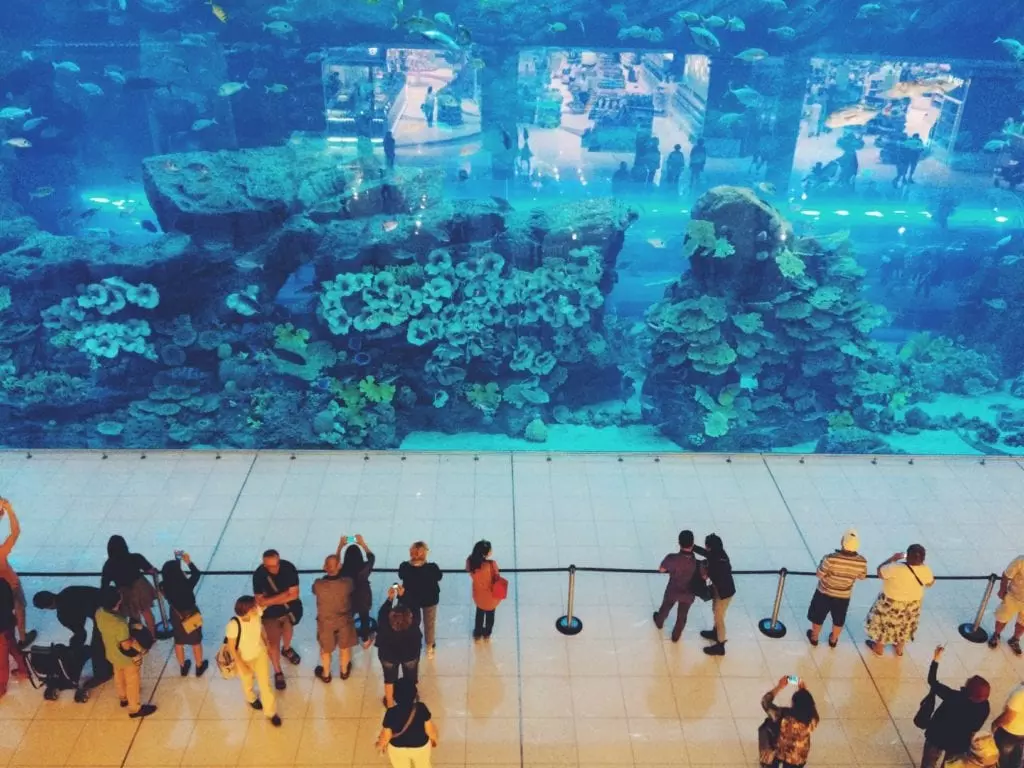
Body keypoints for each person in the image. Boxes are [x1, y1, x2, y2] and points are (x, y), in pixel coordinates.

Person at [920, 644, 990, 768]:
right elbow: (975, 728)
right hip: (959, 743)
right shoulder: (985, 707)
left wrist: (936, 659)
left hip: (937, 735)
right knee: (949, 765)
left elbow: (932, 681)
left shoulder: (953, 696)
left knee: (928, 763)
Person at [94, 587, 157, 719]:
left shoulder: (99, 613)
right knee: (132, 681)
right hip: (126, 658)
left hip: (111, 653)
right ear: (118, 602)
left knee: (118, 674)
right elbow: (126, 645)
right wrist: (142, 650)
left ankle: (123, 697)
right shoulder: (120, 624)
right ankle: (134, 708)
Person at [865, 544, 935, 657]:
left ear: (907, 557)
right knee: (905, 626)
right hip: (912, 605)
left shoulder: (895, 567)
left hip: (890, 603)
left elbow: (880, 572)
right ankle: (899, 649)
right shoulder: (925, 570)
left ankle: (879, 648)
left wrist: (893, 559)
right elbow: (930, 583)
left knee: (884, 625)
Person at [33, 585, 111, 685]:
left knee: (97, 646)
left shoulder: (63, 614)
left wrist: (74, 648)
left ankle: (103, 675)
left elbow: (81, 632)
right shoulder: (68, 591)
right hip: (110, 598)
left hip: (103, 613)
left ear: (47, 607)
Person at [225, 596, 281, 727]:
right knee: (247, 680)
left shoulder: (256, 615)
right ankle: (250, 697)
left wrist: (266, 643)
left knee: (265, 685)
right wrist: (241, 665)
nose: (256, 608)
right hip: (243, 658)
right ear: (246, 610)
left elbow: (260, 627)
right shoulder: (234, 625)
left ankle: (271, 712)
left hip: (259, 654)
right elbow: (231, 648)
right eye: (253, 607)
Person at [806, 529, 868, 648]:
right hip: (843, 596)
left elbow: (819, 574)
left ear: (842, 542)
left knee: (818, 616)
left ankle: (814, 637)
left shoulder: (830, 558)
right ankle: (833, 639)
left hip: (824, 592)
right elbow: (862, 576)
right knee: (839, 618)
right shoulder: (862, 562)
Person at [252, 549, 302, 691]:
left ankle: (286, 649)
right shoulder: (259, 575)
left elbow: (294, 595)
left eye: (276, 565)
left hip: (288, 611)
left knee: (288, 632)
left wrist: (270, 600)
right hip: (269, 615)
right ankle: (277, 671)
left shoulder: (289, 568)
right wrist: (284, 595)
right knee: (272, 644)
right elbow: (260, 601)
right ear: (264, 565)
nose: (274, 569)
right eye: (270, 567)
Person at [100, 534, 158, 639]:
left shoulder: (108, 565)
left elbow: (104, 584)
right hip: (141, 587)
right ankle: (152, 636)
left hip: (125, 592)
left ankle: (140, 639)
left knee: (134, 618)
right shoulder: (135, 557)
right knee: (147, 612)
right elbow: (150, 569)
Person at [312, 549, 357, 683]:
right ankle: (344, 671)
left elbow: (314, 591)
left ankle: (326, 674)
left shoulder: (318, 585)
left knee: (326, 649)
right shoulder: (347, 583)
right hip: (344, 621)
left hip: (326, 623)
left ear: (325, 567)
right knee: (344, 647)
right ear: (340, 566)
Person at [160, 552, 207, 678]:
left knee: (179, 641)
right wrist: (188, 562)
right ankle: (199, 665)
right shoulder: (185, 584)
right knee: (195, 640)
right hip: (190, 613)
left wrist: (177, 563)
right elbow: (197, 574)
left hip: (176, 614)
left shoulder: (164, 585)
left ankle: (182, 667)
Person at [376, 679, 439, 768]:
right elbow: (430, 730)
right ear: (415, 695)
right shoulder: (421, 708)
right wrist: (434, 739)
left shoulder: (391, 712)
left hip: (397, 748)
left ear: (394, 696)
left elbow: (386, 736)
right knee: (423, 765)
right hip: (420, 746)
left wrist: (381, 745)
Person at [376, 586, 422, 708]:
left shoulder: (385, 621)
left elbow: (382, 613)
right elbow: (415, 608)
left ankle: (390, 703)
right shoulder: (414, 620)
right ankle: (411, 701)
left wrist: (390, 599)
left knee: (389, 679)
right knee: (411, 678)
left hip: (388, 655)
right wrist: (403, 596)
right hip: (410, 654)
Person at [0, 498, 37, 649]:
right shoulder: (1, 552)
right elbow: (16, 531)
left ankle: (9, 638)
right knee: (19, 608)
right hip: (11, 584)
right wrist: (8, 509)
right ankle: (22, 638)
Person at [762, 677, 819, 768]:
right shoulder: (813, 720)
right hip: (798, 758)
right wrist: (804, 692)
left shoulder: (783, 715)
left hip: (779, 754)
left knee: (767, 725)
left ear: (793, 704)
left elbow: (765, 702)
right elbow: (811, 707)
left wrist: (779, 686)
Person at [399, 541, 443, 660]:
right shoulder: (432, 568)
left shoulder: (404, 567)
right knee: (429, 623)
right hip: (430, 599)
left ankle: (411, 643)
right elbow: (439, 576)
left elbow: (401, 575)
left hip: (411, 600)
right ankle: (429, 646)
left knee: (412, 622)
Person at [654, 529, 698, 643]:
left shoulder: (672, 558)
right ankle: (676, 636)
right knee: (682, 616)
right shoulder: (697, 563)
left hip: (673, 590)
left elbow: (662, 569)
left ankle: (659, 622)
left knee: (665, 607)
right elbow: (704, 576)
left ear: (679, 543)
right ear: (693, 544)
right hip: (688, 594)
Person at [694, 533, 735, 655]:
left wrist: (703, 570)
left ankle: (720, 644)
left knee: (719, 617)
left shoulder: (716, 563)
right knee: (715, 611)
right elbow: (706, 554)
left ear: (710, 547)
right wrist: (693, 547)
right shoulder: (720, 554)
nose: (705, 547)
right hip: (721, 591)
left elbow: (706, 574)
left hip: (724, 594)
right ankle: (715, 632)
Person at [339, 534, 375, 646]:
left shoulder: (342, 571)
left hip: (347, 598)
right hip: (363, 598)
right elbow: (371, 557)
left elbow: (334, 563)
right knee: (364, 617)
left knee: (347, 618)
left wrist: (340, 546)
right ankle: (365, 640)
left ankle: (346, 638)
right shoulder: (364, 569)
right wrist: (362, 544)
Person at [988, 555, 1024, 655]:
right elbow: (1006, 575)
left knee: (1022, 624)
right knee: (1002, 618)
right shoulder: (1021, 561)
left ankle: (1015, 640)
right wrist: (1002, 589)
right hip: (1013, 597)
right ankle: (996, 635)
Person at [467, 540, 500, 641]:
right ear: (486, 553)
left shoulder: (470, 562)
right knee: (490, 615)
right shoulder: (491, 564)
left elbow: (468, 569)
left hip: (478, 595)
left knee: (479, 613)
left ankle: (477, 633)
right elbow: (497, 577)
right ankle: (487, 633)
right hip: (491, 597)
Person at [0, 576, 27, 698]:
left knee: (2, 657)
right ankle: (23, 669)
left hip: (2, 627)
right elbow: (13, 604)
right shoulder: (4, 582)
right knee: (12, 647)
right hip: (7, 623)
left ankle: (1, 686)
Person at [992, 684, 1024, 768]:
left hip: (1010, 732)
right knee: (1017, 753)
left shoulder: (1020, 694)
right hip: (1022, 732)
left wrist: (995, 723)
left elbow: (1008, 717)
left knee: (1003, 757)